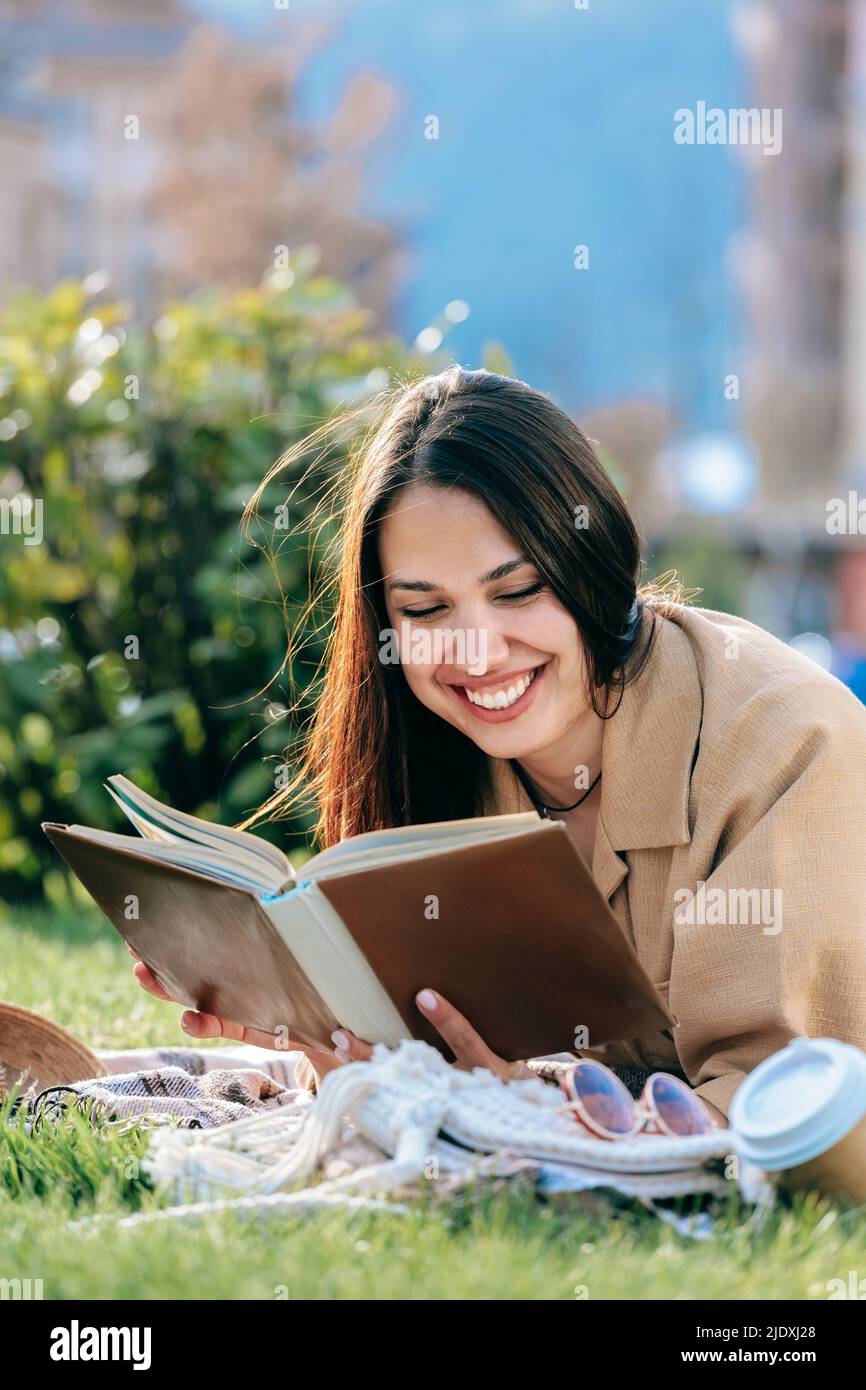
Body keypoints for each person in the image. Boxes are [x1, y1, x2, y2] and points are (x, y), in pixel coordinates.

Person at [133, 366, 866, 1123]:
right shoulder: (435, 754)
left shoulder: (786, 748)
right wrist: (323, 1040)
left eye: (516, 592)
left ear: (594, 564)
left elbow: (785, 1115)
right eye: (424, 607)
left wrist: (542, 1118)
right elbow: (454, 1064)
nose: (476, 653)